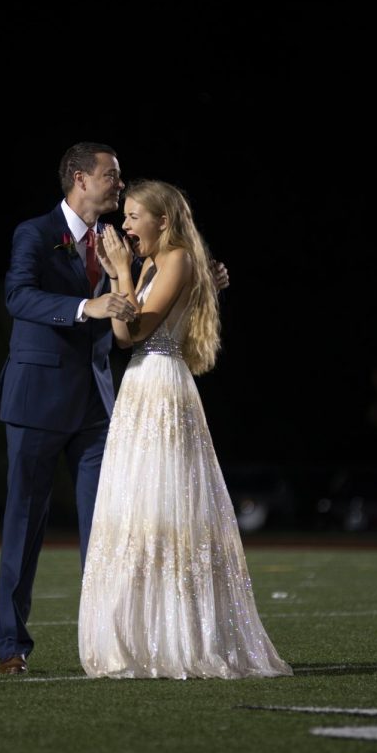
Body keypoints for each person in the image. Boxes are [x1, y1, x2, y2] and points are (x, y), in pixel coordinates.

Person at [0, 140, 231, 675]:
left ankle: (110, 640)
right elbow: (18, 296)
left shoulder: (119, 239)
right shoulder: (34, 233)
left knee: (111, 526)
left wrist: (200, 287)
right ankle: (12, 645)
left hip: (102, 405)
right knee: (24, 522)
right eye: (111, 177)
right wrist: (84, 305)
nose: (120, 186)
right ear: (79, 179)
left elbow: (154, 293)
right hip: (36, 398)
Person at [78, 179, 292, 680]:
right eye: (125, 216)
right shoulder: (156, 263)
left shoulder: (174, 260)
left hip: (161, 387)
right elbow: (123, 327)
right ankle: (138, 638)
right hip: (139, 389)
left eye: (134, 216)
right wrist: (124, 276)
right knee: (136, 509)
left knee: (164, 508)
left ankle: (179, 640)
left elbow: (131, 330)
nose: (125, 226)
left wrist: (122, 276)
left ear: (164, 220)